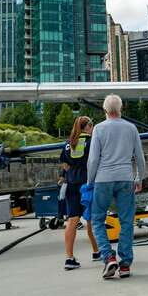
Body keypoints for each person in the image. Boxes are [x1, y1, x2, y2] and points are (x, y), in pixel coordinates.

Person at [88, 95, 145, 280]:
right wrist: (139, 178)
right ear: (121, 108)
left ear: (105, 110)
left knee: (97, 219)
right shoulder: (131, 128)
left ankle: (108, 256)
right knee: (127, 220)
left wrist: (90, 181)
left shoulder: (98, 128)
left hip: (103, 179)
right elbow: (140, 156)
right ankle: (126, 264)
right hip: (125, 178)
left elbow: (94, 159)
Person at [58, 115, 99, 270]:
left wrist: (66, 175)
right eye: (92, 124)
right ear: (87, 127)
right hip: (86, 184)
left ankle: (69, 258)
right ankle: (97, 251)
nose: (93, 127)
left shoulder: (68, 144)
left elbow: (65, 165)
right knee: (92, 219)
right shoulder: (91, 142)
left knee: (72, 221)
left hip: (71, 185)